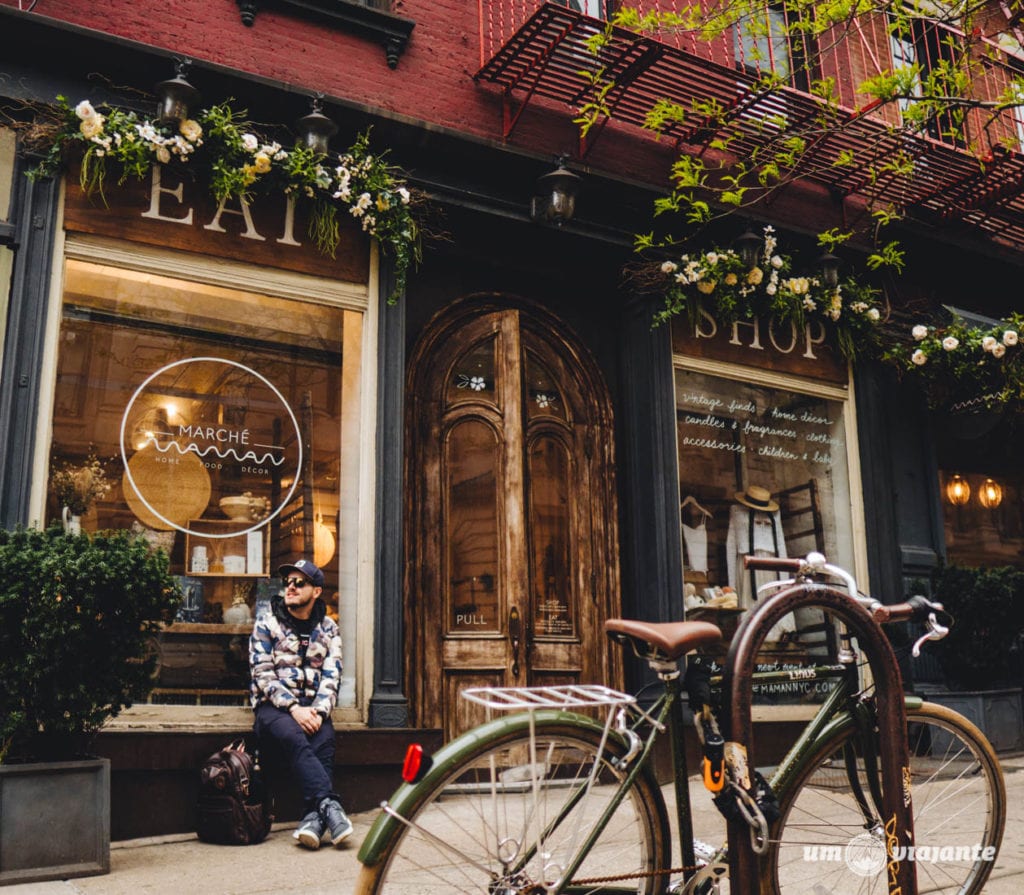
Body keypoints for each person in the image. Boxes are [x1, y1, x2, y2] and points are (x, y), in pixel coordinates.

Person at [249, 557, 351, 849]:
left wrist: (318, 711)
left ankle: (312, 820)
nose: (290, 588)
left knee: (326, 739)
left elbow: (333, 675)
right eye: (288, 582)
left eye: (299, 583)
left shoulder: (329, 629)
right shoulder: (266, 624)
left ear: (316, 591)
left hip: (313, 706)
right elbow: (263, 675)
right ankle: (331, 806)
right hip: (274, 708)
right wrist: (294, 708)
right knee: (294, 736)